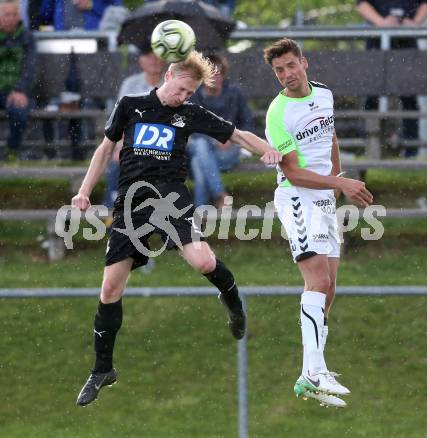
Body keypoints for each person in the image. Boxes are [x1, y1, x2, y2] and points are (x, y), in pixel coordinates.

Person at [72, 51, 282, 406]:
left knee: (202, 262)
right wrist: (83, 191)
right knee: (109, 288)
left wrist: (268, 150)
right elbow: (105, 150)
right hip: (131, 203)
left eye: (190, 93)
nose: (184, 97)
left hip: (170, 199)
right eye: (182, 89)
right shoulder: (131, 105)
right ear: (168, 76)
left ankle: (233, 302)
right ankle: (102, 369)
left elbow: (238, 134)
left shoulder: (190, 114)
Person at [263, 38, 373, 408]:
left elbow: (330, 137)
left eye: (291, 66)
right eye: (279, 70)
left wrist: (337, 176)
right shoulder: (278, 114)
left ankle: (312, 372)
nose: (286, 75)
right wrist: (340, 182)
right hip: (297, 197)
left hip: (324, 196)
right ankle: (313, 372)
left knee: (330, 290)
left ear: (304, 63)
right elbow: (293, 173)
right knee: (318, 281)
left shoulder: (323, 94)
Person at [357, 0, 427, 157]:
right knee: (372, 97)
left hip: (406, 46)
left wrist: (413, 24)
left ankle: (411, 150)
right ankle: (371, 147)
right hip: (377, 45)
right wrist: (382, 23)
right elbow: (361, 4)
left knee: (409, 97)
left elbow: (426, 3)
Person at [102, 44, 165, 210]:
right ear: (140, 61)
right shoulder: (130, 85)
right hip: (132, 140)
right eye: (149, 56)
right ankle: (112, 208)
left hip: (162, 142)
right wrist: (120, 145)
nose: (154, 60)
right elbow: (119, 119)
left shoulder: (170, 85)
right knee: (117, 161)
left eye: (157, 55)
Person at [188, 53, 253, 208]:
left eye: (219, 74)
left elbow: (247, 124)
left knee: (199, 161)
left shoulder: (234, 93)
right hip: (205, 149)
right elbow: (192, 128)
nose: (216, 78)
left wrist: (231, 138)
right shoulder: (195, 96)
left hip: (229, 151)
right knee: (201, 149)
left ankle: (200, 215)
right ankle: (220, 195)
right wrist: (216, 139)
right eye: (211, 74)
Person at [0, 0, 36, 160]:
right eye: (7, 14)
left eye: (15, 14)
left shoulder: (27, 37)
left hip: (19, 91)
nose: (11, 18)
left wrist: (20, 90)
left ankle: (11, 151)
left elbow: (30, 67)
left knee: (19, 112)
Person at [39, 0, 122, 30]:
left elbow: (117, 12)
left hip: (94, 39)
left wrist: (92, 5)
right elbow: (45, 12)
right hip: (61, 37)